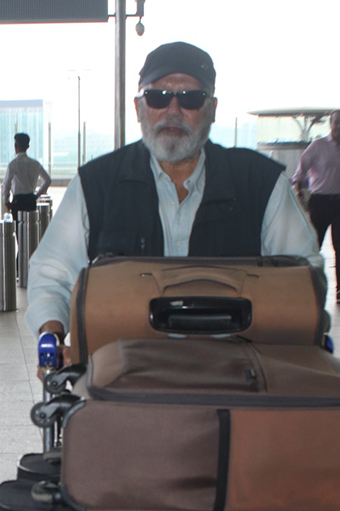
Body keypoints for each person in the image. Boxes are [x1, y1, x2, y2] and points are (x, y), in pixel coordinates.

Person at [26, 41, 323, 345]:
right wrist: (51, 334)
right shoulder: (96, 183)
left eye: (191, 99)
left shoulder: (259, 182)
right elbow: (53, 273)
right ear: (139, 108)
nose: (173, 111)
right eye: (158, 97)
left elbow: (304, 275)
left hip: (235, 374)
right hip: (124, 375)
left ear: (212, 109)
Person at [293, 110, 340, 297]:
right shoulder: (318, 146)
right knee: (314, 246)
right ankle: (308, 287)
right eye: (336, 122)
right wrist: (299, 194)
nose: (339, 126)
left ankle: (339, 290)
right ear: (330, 124)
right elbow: (299, 173)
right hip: (320, 202)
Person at [3, 132, 51, 221]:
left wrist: (6, 200)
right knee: (31, 228)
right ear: (28, 146)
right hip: (31, 199)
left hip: (18, 201)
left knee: (19, 228)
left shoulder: (13, 164)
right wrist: (37, 195)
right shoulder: (35, 163)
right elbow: (48, 180)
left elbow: (6, 184)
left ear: (15, 146)